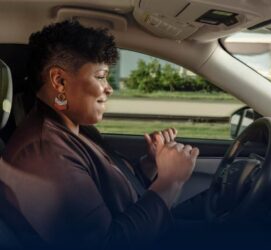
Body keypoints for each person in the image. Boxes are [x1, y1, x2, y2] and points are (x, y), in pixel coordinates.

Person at [0, 20, 199, 249]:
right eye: (101, 76)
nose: (109, 87)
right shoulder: (43, 152)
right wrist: (171, 180)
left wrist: (150, 165)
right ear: (59, 81)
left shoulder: (76, 130)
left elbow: (109, 194)